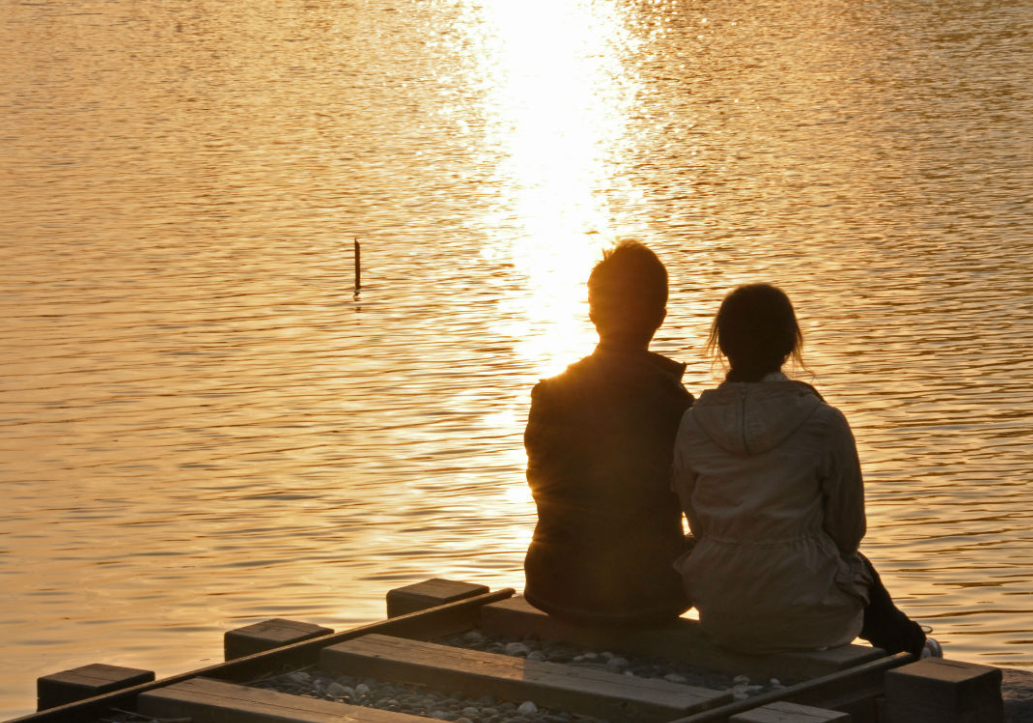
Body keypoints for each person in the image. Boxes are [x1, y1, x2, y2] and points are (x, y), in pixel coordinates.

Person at [671, 283, 941, 657]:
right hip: (808, 617)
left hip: (723, 615)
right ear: (788, 345)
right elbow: (849, 534)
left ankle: (911, 642)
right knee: (856, 567)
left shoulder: (692, 424)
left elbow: (699, 524)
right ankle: (915, 647)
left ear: (724, 346)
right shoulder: (823, 422)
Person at [523, 241, 693, 625]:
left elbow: (543, 489)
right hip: (644, 594)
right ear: (660, 317)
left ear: (593, 312)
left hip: (553, 584)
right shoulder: (677, 405)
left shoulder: (548, 395)